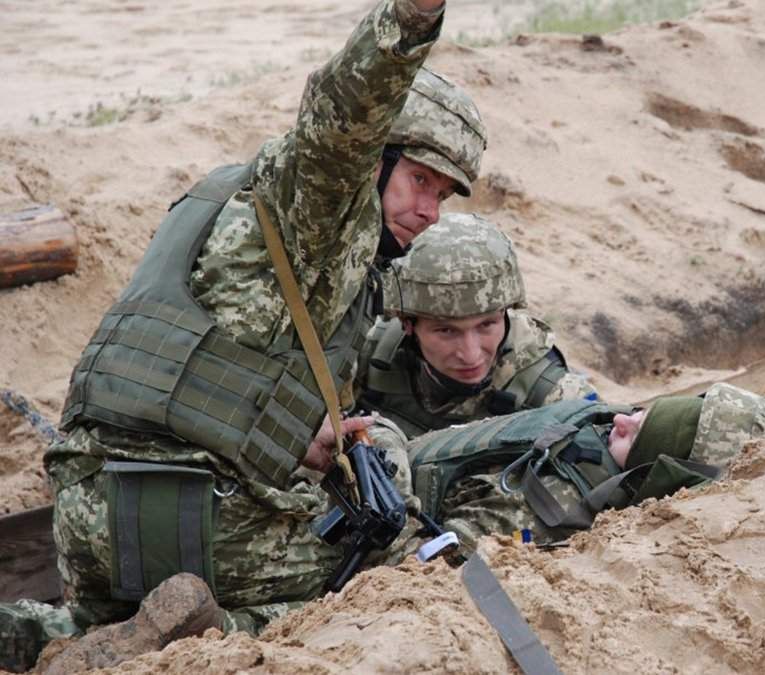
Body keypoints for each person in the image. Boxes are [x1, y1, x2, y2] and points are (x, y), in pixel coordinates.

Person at [1, 1, 479, 671]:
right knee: (387, 556)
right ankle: (220, 626)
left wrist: (298, 437)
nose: (428, 212)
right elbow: (341, 118)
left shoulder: (228, 196)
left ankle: (42, 634)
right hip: (191, 521)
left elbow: (210, 373)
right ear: (377, 158)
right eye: (418, 180)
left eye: (445, 194)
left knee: (116, 609)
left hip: (86, 512)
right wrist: (411, 20)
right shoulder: (320, 206)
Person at [387, 383, 765, 560]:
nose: (621, 419)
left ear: (659, 472)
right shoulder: (601, 424)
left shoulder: (542, 514)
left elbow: (411, 567)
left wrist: (387, 451)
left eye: (636, 435)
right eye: (641, 412)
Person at [360, 212, 598, 439]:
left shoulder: (553, 392)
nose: (470, 354)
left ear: (505, 312)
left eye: (486, 325)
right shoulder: (366, 351)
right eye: (446, 331)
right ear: (407, 323)